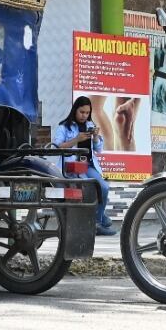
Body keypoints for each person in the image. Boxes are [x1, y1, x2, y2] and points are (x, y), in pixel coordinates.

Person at [54, 97, 116, 237]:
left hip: (88, 165)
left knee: (104, 187)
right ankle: (97, 222)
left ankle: (98, 221)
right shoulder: (65, 127)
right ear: (75, 110)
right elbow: (58, 147)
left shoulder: (90, 125)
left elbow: (98, 149)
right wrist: (76, 139)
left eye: (87, 113)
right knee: (88, 189)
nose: (84, 115)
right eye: (82, 112)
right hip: (73, 167)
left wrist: (95, 137)